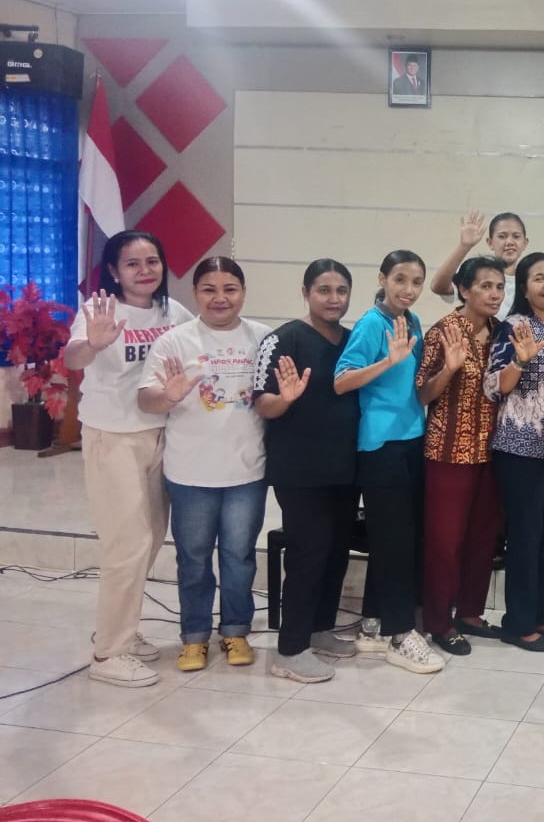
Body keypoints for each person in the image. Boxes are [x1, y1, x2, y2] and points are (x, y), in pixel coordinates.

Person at [64, 231, 193, 688]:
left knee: (152, 536)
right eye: (133, 263)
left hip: (161, 434)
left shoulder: (172, 312)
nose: (145, 271)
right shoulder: (100, 310)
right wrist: (94, 344)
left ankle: (122, 629)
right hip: (113, 436)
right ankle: (109, 652)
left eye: (152, 261)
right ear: (114, 271)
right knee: (128, 542)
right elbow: (72, 357)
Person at [137, 257, 268, 673]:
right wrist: (168, 395)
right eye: (209, 289)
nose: (220, 298)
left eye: (230, 289)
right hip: (190, 473)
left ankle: (235, 630)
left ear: (243, 293)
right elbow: (145, 398)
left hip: (247, 471)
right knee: (193, 559)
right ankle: (194, 637)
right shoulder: (174, 342)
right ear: (195, 293)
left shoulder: (263, 338)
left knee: (239, 556)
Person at [335, 250, 443, 674]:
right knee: (395, 542)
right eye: (400, 279)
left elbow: (416, 391)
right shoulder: (371, 324)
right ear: (382, 278)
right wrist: (387, 361)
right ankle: (400, 635)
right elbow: (342, 381)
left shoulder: (411, 321)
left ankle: (374, 624)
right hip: (380, 447)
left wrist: (447, 370)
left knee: (399, 539)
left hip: (412, 440)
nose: (409, 289)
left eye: (416, 282)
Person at [254, 259, 361, 684]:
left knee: (336, 552)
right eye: (324, 290)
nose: (334, 299)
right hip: (299, 470)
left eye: (341, 290)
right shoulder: (283, 339)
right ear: (305, 292)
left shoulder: (352, 341)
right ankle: (290, 650)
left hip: (344, 468)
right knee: (308, 554)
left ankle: (319, 630)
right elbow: (264, 404)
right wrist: (286, 397)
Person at [484, 253, 544, 651]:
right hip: (518, 445)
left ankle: (538, 618)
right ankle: (516, 624)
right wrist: (520, 362)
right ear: (524, 288)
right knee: (524, 537)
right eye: (538, 278)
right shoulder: (515, 327)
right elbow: (494, 387)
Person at [417, 257, 505, 656]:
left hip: (493, 451)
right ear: (464, 290)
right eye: (485, 286)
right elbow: (423, 394)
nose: (494, 294)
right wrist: (449, 369)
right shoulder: (443, 331)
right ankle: (439, 621)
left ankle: (470, 612)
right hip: (449, 451)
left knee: (483, 537)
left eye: (499, 287)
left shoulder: (503, 333)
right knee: (445, 541)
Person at [429, 211, 528, 321]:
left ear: (525, 242)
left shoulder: (529, 280)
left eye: (516, 236)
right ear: (490, 242)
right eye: (502, 236)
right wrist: (464, 246)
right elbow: (438, 287)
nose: (509, 242)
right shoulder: (477, 273)